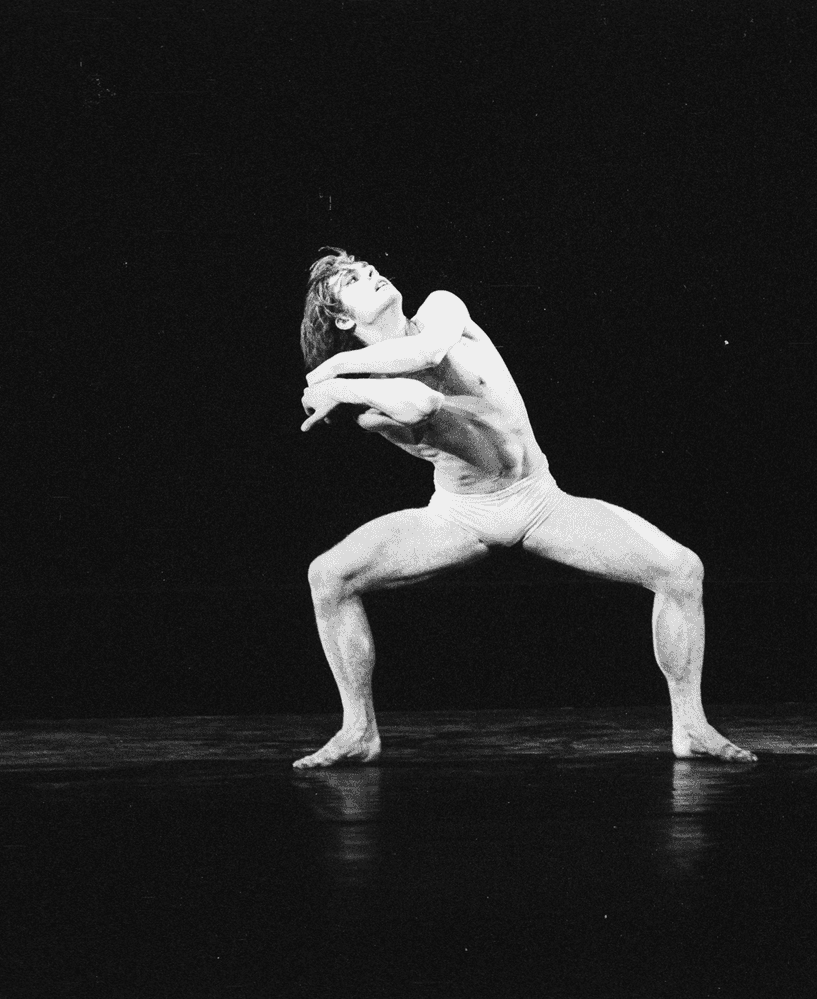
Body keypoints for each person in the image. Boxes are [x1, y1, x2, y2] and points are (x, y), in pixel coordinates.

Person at [294, 248, 756, 769]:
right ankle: (358, 730)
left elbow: (427, 352)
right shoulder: (366, 404)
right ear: (343, 319)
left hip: (539, 502)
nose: (373, 273)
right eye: (355, 280)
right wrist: (342, 386)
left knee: (681, 569)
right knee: (328, 575)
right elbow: (419, 404)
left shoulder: (441, 308)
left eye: (369, 267)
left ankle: (690, 726)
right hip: (459, 516)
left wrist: (332, 371)